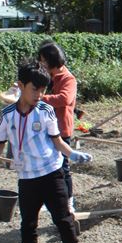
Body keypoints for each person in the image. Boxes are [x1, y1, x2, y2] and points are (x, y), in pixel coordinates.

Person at [0, 62, 93, 243]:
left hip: (51, 172)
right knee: (28, 223)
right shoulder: (6, 115)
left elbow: (57, 141)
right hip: (27, 177)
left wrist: (72, 154)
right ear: (21, 86)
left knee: (63, 219)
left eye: (43, 90)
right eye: (35, 89)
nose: (40, 95)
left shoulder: (46, 111)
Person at [38, 41, 78, 211]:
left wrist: (40, 98)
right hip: (47, 128)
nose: (41, 64)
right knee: (47, 168)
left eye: (43, 60)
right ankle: (51, 201)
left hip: (61, 130)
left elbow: (64, 99)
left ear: (51, 60)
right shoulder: (49, 77)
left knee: (62, 168)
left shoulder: (68, 79)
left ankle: (68, 203)